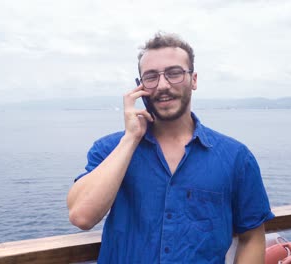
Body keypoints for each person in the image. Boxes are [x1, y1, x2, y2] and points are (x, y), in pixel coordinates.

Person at [67, 32, 274, 263]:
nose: (163, 85)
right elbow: (81, 216)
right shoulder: (109, 149)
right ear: (140, 87)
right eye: (151, 77)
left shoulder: (236, 157)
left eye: (174, 73)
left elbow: (252, 236)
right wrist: (131, 138)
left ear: (193, 80)